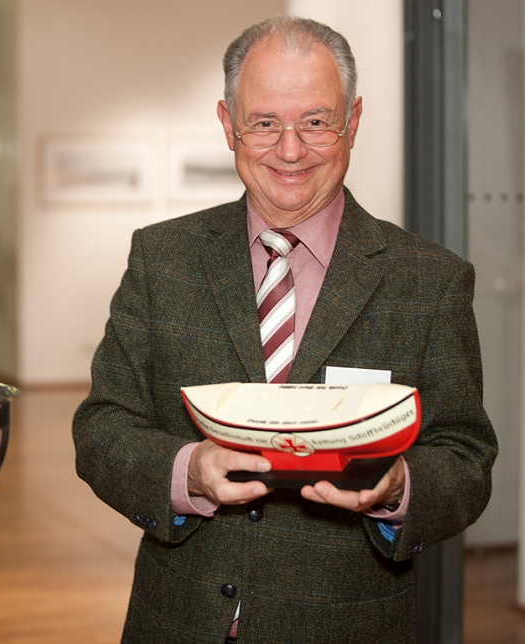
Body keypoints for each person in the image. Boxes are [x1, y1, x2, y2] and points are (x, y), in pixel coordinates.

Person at [72, 15, 497, 644]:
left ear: (353, 121)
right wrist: (187, 471)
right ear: (227, 125)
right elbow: (101, 427)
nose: (290, 149)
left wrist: (398, 486)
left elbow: (466, 458)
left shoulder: (428, 282)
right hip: (177, 622)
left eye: (316, 122)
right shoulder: (162, 260)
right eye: (265, 122)